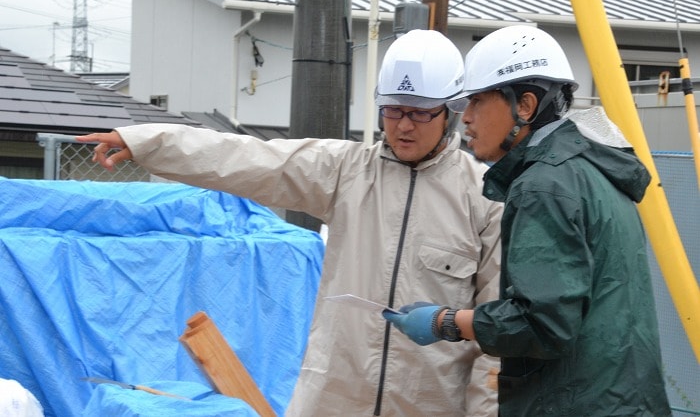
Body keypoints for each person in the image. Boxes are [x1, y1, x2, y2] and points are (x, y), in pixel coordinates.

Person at [76, 29, 503, 416]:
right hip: (335, 398)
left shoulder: (485, 198)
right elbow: (244, 158)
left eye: (420, 112)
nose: (404, 125)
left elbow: (494, 329)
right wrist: (146, 143)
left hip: (428, 404)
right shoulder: (346, 173)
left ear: (451, 111)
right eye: (393, 111)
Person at [383, 25, 672, 416]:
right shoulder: (590, 170)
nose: (465, 118)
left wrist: (444, 322)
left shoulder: (543, 185)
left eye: (477, 102)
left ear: (525, 106)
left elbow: (541, 324)